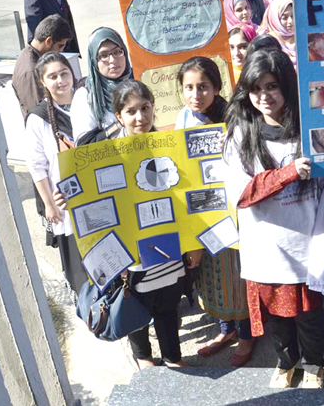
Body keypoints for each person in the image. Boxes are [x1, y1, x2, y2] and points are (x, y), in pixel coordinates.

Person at [223, 43, 324, 389]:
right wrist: (287, 173)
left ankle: (315, 365)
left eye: (272, 86)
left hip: (310, 238)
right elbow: (242, 194)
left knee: (310, 312)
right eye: (256, 88)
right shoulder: (240, 134)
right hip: (267, 244)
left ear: (286, 85)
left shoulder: (312, 126)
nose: (264, 96)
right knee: (276, 312)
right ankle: (285, 362)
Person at [172, 57, 256, 367]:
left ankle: (247, 335)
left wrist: (232, 142)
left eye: (203, 87)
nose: (196, 95)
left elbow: (252, 157)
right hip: (204, 211)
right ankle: (226, 331)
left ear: (217, 87)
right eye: (189, 88)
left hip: (234, 210)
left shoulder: (235, 116)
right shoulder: (183, 118)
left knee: (239, 275)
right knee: (214, 275)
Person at [112, 80, 197, 369]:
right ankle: (143, 358)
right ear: (118, 116)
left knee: (168, 306)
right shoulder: (108, 155)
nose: (140, 117)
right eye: (131, 111)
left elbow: (188, 197)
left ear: (153, 107)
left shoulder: (169, 146)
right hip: (132, 257)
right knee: (136, 309)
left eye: (145, 108)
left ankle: (173, 357)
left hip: (167, 250)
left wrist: (194, 244)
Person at [24, 52, 86, 294]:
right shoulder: (38, 118)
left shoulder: (85, 104)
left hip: (96, 191)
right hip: (65, 198)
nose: (60, 80)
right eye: (53, 76)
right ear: (43, 82)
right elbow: (36, 165)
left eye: (64, 73)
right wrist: (49, 204)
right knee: (78, 258)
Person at [71, 28, 133, 143]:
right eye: (104, 55)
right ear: (94, 61)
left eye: (117, 52)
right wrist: (120, 123)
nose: (113, 60)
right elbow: (83, 145)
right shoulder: (86, 95)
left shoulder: (139, 81)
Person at [13, 14, 72, 119]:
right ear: (48, 41)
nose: (61, 51)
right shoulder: (30, 71)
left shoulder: (32, 56)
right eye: (60, 46)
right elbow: (40, 113)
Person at [258, 0, 296, 65]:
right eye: (284, 18)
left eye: (293, 16)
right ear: (275, 19)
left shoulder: (302, 37)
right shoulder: (267, 43)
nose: (290, 21)